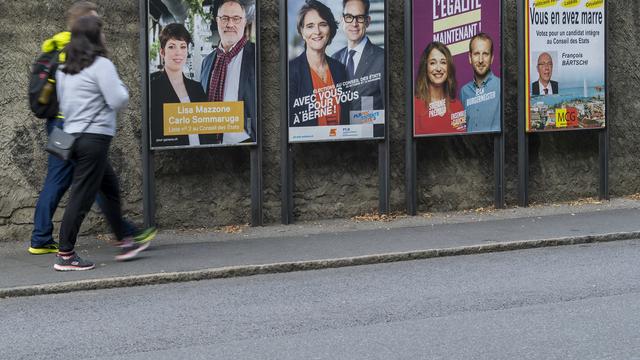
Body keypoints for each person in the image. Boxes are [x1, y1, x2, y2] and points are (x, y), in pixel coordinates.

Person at [29, 1, 155, 255]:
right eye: (97, 21)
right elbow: (115, 97)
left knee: (60, 180)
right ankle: (123, 233)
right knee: (91, 184)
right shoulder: (84, 52)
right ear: (86, 25)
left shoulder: (55, 46)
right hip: (79, 127)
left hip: (60, 127)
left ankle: (40, 238)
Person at [54, 16, 151, 270]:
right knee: (82, 196)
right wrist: (122, 86)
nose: (105, 37)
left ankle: (124, 240)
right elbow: (118, 99)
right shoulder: (102, 65)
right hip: (93, 140)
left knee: (109, 188)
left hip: (71, 138)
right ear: (95, 38)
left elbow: (63, 105)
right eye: (102, 33)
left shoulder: (64, 69)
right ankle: (66, 254)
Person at [150, 23, 219, 147]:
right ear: (162, 52)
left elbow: (208, 132)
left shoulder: (197, 88)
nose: (178, 53)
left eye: (183, 47)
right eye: (171, 47)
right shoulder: (152, 87)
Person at [199, 0, 256, 144]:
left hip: (246, 145)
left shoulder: (257, 56)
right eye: (225, 18)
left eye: (236, 19)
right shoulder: (206, 62)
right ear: (217, 21)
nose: (230, 24)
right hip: (211, 146)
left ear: (244, 22)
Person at [289, 0, 349, 127]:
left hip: (341, 145)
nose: (317, 31)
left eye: (322, 24)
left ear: (330, 29)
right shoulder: (291, 71)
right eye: (310, 26)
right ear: (302, 32)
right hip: (307, 146)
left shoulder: (340, 69)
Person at [331, 0, 384, 115]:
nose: (354, 24)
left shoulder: (382, 59)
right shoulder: (334, 59)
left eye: (359, 17)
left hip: (371, 131)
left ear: (367, 21)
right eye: (349, 17)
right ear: (342, 20)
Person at [414, 42, 466, 135]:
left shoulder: (457, 107)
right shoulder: (414, 106)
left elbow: (461, 143)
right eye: (433, 63)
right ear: (425, 68)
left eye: (443, 62)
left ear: (448, 67)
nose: (438, 68)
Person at [459, 33, 501, 133]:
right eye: (476, 54)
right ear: (470, 57)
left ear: (492, 58)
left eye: (485, 54)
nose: (481, 60)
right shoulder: (464, 92)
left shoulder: (501, 87)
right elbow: (460, 128)